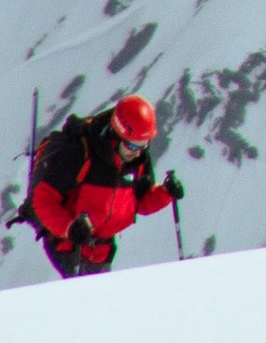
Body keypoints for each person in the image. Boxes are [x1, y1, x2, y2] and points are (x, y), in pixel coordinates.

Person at [25, 91, 182, 277]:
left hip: (102, 250)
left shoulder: (137, 159)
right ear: (117, 134)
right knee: (83, 292)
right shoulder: (81, 153)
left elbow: (140, 203)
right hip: (70, 244)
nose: (137, 152)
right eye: (132, 145)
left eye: (144, 144)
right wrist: (69, 228)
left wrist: (165, 193)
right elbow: (43, 199)